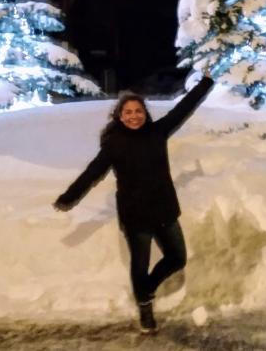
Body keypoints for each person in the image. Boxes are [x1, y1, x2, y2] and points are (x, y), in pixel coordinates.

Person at [53, 71, 215, 334]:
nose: (134, 116)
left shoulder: (158, 132)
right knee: (140, 263)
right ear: (119, 116)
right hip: (136, 215)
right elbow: (92, 172)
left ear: (145, 113)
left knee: (177, 258)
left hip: (164, 209)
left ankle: (147, 290)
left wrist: (205, 83)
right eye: (128, 112)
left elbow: (183, 108)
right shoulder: (114, 144)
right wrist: (68, 198)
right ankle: (145, 308)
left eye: (138, 111)